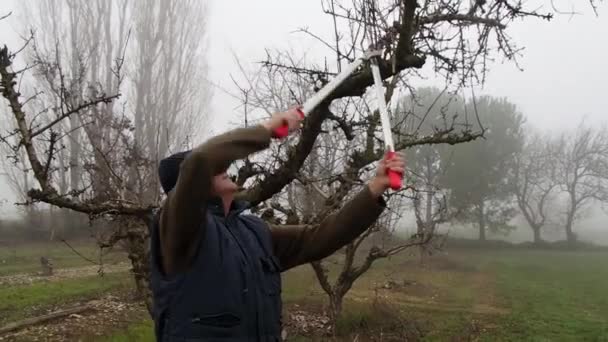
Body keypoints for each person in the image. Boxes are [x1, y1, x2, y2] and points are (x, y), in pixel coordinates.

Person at [149, 108, 405, 341]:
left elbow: (318, 238)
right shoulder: (181, 230)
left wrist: (375, 188)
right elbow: (201, 161)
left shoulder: (253, 232)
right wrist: (266, 131)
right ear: (191, 188)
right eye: (217, 167)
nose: (225, 166)